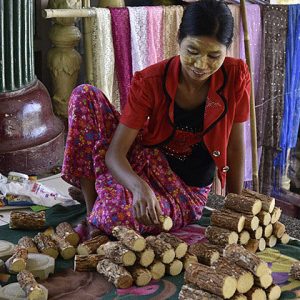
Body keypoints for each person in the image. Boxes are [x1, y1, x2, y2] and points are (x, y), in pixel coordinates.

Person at [62, 0, 250, 237]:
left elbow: (234, 148)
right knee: (84, 95)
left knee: (117, 217)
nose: (201, 65)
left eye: (214, 55)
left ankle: (107, 202)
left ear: (227, 50)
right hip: (144, 162)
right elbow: (116, 153)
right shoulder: (150, 80)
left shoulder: (235, 76)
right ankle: (93, 209)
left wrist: (235, 211)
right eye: (192, 51)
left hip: (184, 190)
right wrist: (139, 187)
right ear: (178, 40)